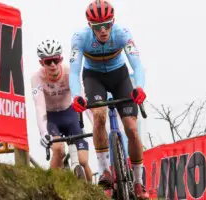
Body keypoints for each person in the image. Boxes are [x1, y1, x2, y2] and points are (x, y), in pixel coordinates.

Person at [68, 0, 148, 198]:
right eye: (97, 27)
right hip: (94, 77)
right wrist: (77, 96)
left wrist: (139, 87)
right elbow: (74, 71)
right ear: (90, 26)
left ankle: (138, 182)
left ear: (114, 23)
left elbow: (137, 65)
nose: (103, 30)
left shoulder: (122, 34)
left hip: (119, 76)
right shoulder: (80, 38)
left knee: (131, 128)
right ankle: (105, 170)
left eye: (107, 25)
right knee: (99, 116)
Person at [31, 39, 92, 182]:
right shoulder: (36, 78)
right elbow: (39, 107)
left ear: (61, 59)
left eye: (55, 60)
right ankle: (49, 186)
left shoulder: (69, 73)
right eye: (48, 61)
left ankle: (94, 192)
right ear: (42, 63)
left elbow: (82, 98)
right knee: (58, 150)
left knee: (83, 161)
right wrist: (44, 133)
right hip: (51, 118)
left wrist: (95, 123)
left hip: (69, 114)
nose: (52, 65)